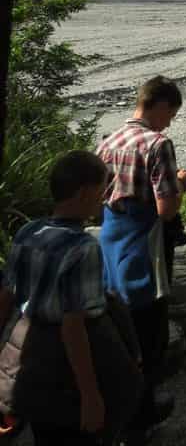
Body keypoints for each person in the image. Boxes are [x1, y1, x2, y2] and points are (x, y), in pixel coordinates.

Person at [0, 151, 142, 445]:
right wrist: (91, 397)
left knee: (45, 433)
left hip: (28, 357)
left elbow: (6, 296)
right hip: (67, 369)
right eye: (103, 188)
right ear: (84, 192)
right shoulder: (82, 247)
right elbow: (73, 326)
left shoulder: (28, 231)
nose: (105, 196)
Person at [96, 76, 186, 445]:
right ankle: (140, 419)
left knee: (117, 330)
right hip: (145, 248)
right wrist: (182, 183)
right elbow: (166, 209)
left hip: (111, 244)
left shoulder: (107, 141)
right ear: (160, 105)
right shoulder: (158, 144)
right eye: (171, 112)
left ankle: (114, 411)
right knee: (150, 334)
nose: (170, 121)